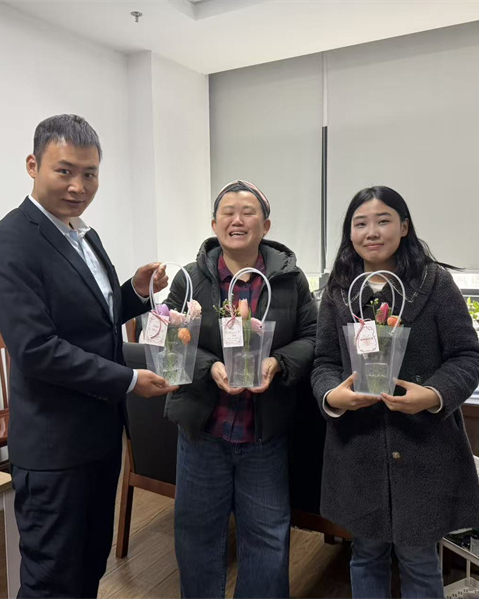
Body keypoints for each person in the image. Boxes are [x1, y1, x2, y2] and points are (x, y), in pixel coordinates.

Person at [0, 114, 177, 598]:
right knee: (52, 581)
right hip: (54, 449)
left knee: (89, 567)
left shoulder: (83, 234)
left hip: (99, 438)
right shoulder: (9, 242)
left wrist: (134, 292)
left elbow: (95, 321)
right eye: (64, 171)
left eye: (89, 173)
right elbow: (36, 350)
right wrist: (129, 380)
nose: (78, 186)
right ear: (33, 165)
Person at [311, 185, 479, 598]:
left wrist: (433, 395)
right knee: (365, 554)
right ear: (349, 232)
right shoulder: (338, 290)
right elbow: (324, 363)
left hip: (423, 447)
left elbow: (467, 356)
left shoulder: (434, 283)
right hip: (358, 449)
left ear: (404, 227)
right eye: (360, 223)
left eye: (383, 220)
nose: (372, 232)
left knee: (420, 560)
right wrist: (332, 396)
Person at [163, 180, 317, 598]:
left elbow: (313, 336)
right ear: (214, 224)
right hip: (203, 431)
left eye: (248, 212)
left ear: (266, 225)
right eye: (227, 212)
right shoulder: (190, 279)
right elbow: (171, 342)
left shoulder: (289, 280)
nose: (237, 220)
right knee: (197, 536)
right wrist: (210, 366)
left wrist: (278, 362)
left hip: (264, 433)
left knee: (268, 537)